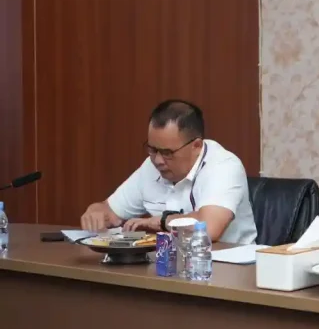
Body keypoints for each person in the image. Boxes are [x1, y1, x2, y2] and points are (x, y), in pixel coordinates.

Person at [80, 100, 258, 244]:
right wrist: (96, 212)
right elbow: (109, 211)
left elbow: (209, 229)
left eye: (167, 153)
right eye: (152, 149)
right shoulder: (151, 166)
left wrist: (161, 221)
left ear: (196, 146)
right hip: (171, 265)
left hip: (228, 267)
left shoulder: (223, 166)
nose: (158, 160)